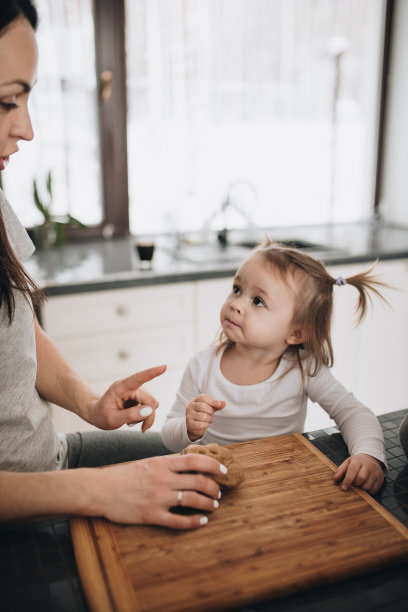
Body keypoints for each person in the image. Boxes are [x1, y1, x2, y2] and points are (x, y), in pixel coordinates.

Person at [0, 0, 226, 529]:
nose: (27, 129)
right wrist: (101, 492)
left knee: (208, 477)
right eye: (7, 101)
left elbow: (16, 326)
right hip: (26, 513)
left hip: (54, 462)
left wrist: (89, 402)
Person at [162, 240, 388, 494]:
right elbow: (169, 436)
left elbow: (353, 413)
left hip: (280, 484)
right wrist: (188, 429)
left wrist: (368, 455)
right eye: (237, 289)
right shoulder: (202, 366)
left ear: (296, 332)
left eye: (257, 301)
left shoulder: (304, 369)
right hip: (217, 484)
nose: (237, 303)